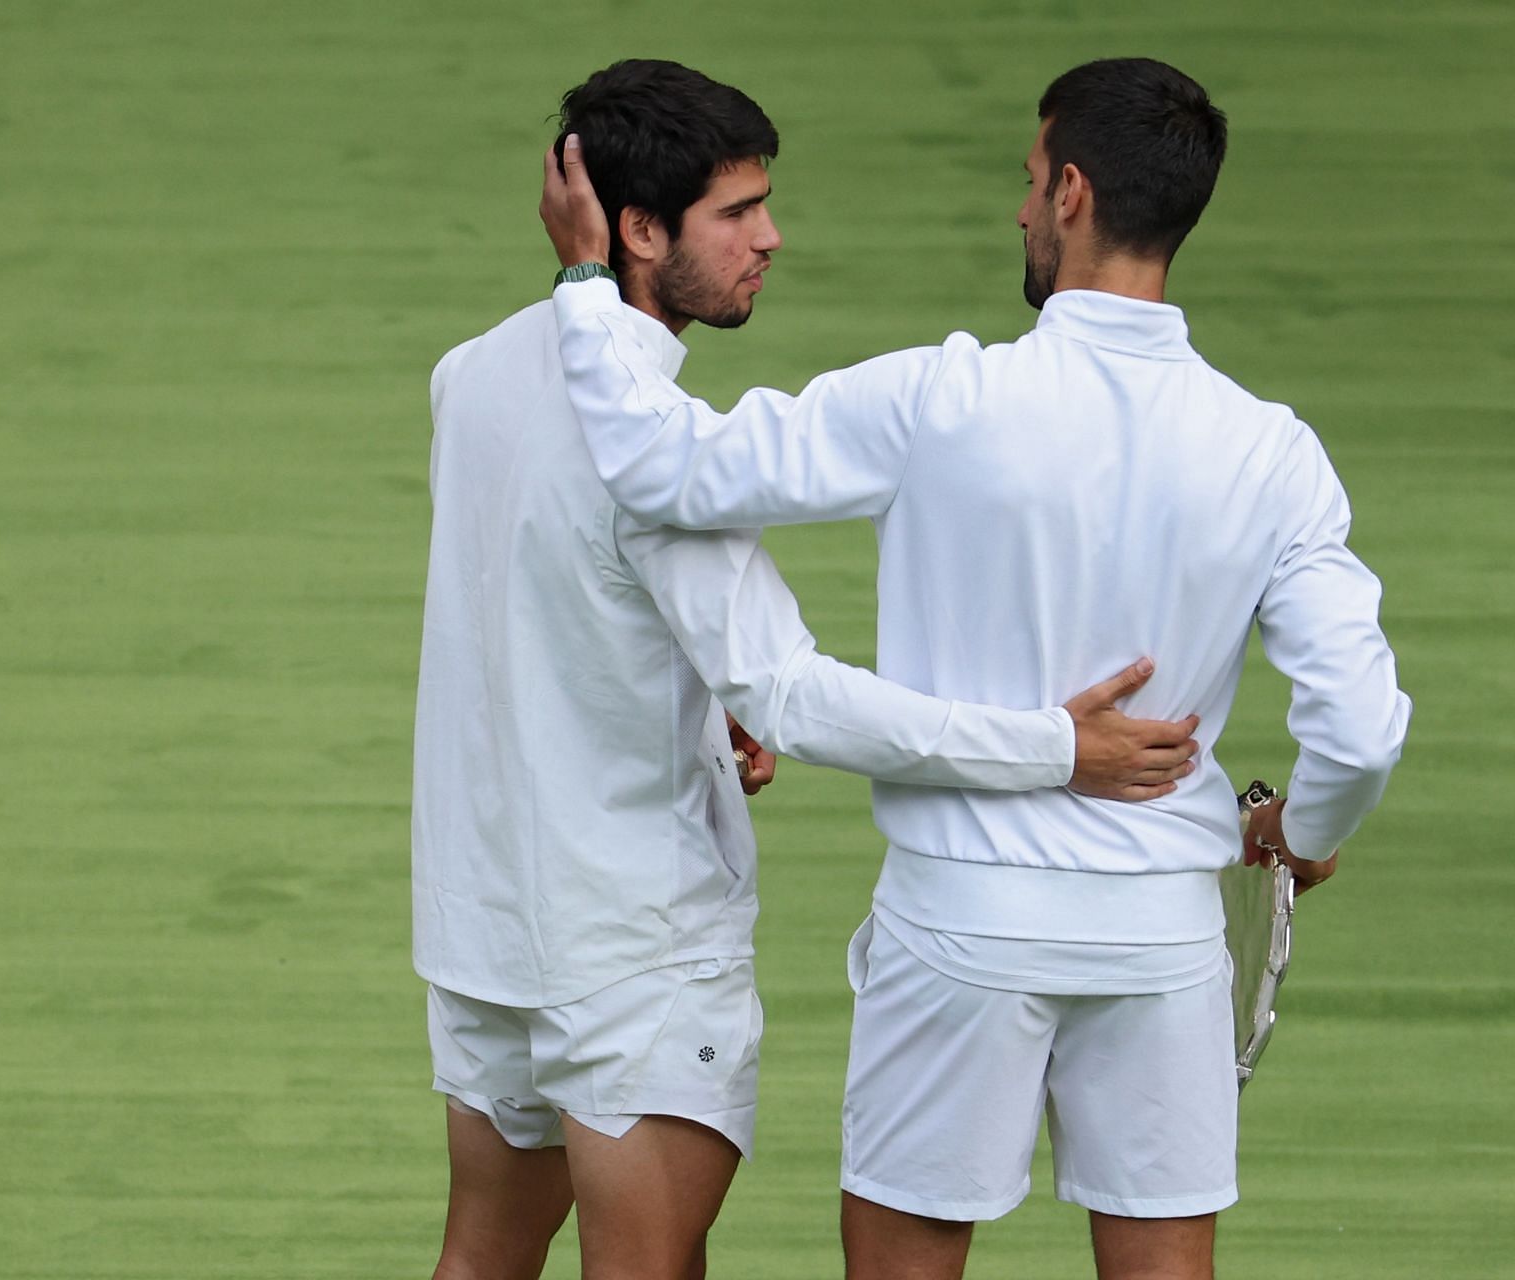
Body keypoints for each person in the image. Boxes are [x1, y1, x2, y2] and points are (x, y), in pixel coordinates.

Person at [539, 56, 1410, 1280]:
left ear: (1070, 192)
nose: (1017, 208)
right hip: (1159, 937)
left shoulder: (938, 397)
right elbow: (1362, 728)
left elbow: (660, 466)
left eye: (1026, 180)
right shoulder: (1275, 453)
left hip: (959, 923)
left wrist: (588, 282)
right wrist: (1302, 829)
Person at [418, 59, 1203, 1280]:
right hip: (634, 955)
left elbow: (542, 611)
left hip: (483, 936)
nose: (771, 238)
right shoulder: (665, 467)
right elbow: (793, 690)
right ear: (635, 231)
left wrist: (691, 704)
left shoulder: (467, 378)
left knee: (478, 1258)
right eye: (736, 213)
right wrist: (1057, 743)